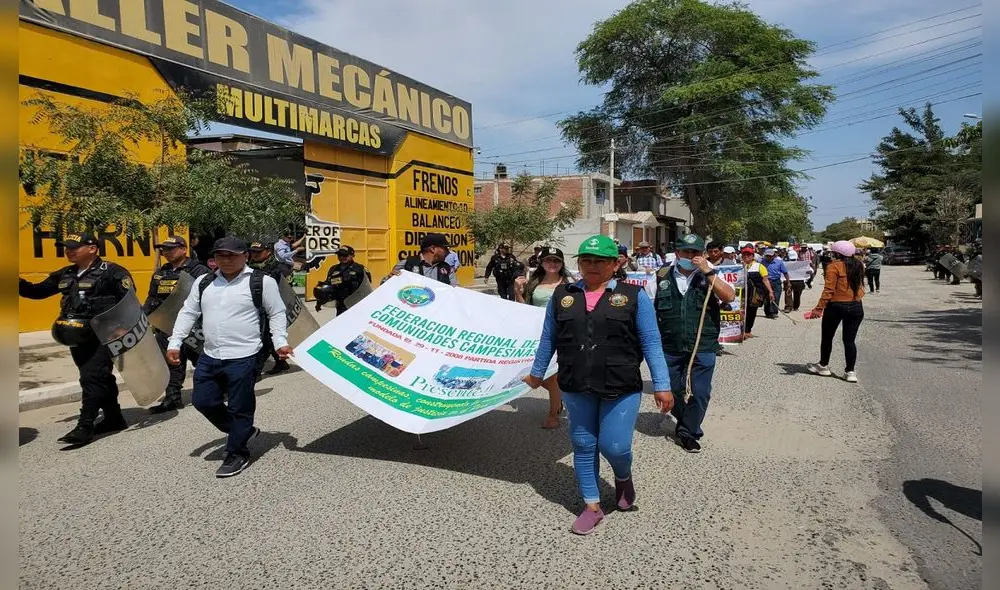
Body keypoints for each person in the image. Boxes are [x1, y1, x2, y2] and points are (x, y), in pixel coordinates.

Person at [525, 234, 672, 535]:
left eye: (600, 261)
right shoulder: (563, 295)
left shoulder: (634, 296)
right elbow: (548, 339)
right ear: (578, 262)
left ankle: (623, 476)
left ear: (615, 263)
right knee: (583, 444)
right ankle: (591, 505)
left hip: (620, 384)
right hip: (576, 382)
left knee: (615, 446)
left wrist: (662, 383)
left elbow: (651, 341)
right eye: (586, 260)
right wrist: (537, 373)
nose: (592, 266)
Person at [168, 237, 290, 478]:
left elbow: (277, 312)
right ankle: (242, 431)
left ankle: (237, 452)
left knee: (239, 406)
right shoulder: (204, 282)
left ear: (245, 255)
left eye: (232, 255)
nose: (226, 260)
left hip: (245, 355)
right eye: (220, 255)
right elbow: (188, 312)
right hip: (211, 354)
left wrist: (280, 342)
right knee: (204, 402)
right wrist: (175, 342)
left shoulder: (260, 282)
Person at [19, 233, 135, 445]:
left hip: (104, 334)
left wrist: (123, 329)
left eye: (74, 247)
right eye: (66, 247)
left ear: (92, 248)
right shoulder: (66, 273)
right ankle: (113, 418)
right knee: (100, 376)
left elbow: (129, 301)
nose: (69, 251)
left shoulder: (112, 272)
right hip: (77, 336)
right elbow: (37, 292)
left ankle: (85, 426)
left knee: (91, 377)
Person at [654, 234, 736, 452]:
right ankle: (684, 421)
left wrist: (708, 272)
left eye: (695, 252)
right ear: (677, 252)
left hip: (703, 344)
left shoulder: (710, 276)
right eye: (686, 252)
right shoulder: (661, 276)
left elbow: (729, 297)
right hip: (670, 345)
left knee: (700, 392)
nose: (690, 256)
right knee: (672, 390)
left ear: (703, 254)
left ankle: (688, 432)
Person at [143, 235, 210, 414]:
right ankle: (172, 398)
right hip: (166, 326)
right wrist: (146, 316)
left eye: (171, 249)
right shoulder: (161, 272)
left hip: (193, 327)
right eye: (164, 249)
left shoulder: (198, 270)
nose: (167, 253)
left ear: (183, 249)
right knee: (171, 363)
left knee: (202, 361)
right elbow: (152, 297)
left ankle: (215, 390)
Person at [513, 247, 574, 429]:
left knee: (553, 375)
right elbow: (525, 309)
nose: (552, 264)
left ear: (562, 264)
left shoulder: (570, 285)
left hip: (562, 334)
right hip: (537, 334)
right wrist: (518, 291)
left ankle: (553, 413)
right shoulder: (534, 283)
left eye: (556, 261)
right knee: (538, 374)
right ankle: (561, 399)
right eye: (548, 260)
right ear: (541, 263)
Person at [807, 240, 865, 383]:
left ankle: (823, 366)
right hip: (856, 306)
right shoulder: (859, 265)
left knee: (827, 337)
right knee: (849, 341)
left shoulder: (834, 267)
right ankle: (850, 372)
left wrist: (818, 308)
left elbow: (829, 290)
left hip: (836, 306)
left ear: (837, 253)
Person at [246, 241, 294, 377]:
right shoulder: (248, 267)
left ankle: (255, 371)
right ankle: (281, 362)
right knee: (262, 337)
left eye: (258, 252)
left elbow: (286, 290)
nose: (254, 255)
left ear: (268, 252)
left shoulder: (279, 269)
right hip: (255, 308)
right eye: (252, 252)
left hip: (272, 309)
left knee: (264, 339)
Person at [318, 245, 372, 314]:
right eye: (339, 255)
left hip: (357, 304)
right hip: (341, 305)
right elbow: (328, 285)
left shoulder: (360, 269)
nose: (341, 257)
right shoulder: (333, 269)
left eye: (345, 255)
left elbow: (368, 286)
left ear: (352, 255)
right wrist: (321, 298)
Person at [388, 233, 456, 285]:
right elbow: (385, 285)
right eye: (445, 248)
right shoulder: (407, 264)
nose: (448, 252)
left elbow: (456, 291)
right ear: (432, 249)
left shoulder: (447, 269)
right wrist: (390, 278)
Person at [739, 245, 773, 339]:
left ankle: (747, 330)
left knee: (751, 312)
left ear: (753, 256)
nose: (746, 256)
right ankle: (740, 330)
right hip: (741, 294)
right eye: (744, 254)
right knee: (741, 312)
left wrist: (770, 292)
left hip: (754, 294)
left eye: (748, 254)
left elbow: (765, 280)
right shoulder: (738, 267)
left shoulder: (759, 266)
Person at [762, 248, 789, 318]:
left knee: (776, 297)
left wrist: (788, 282)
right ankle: (767, 312)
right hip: (766, 282)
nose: (768, 257)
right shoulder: (762, 262)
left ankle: (774, 312)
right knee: (767, 298)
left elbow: (785, 272)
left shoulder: (779, 262)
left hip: (776, 282)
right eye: (767, 256)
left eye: (770, 256)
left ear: (773, 256)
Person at [782, 247, 809, 313]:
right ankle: (788, 307)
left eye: (794, 259)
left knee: (797, 294)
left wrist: (808, 272)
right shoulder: (784, 263)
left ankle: (796, 306)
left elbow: (810, 269)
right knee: (788, 294)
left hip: (799, 281)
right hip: (788, 281)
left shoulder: (802, 263)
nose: (793, 260)